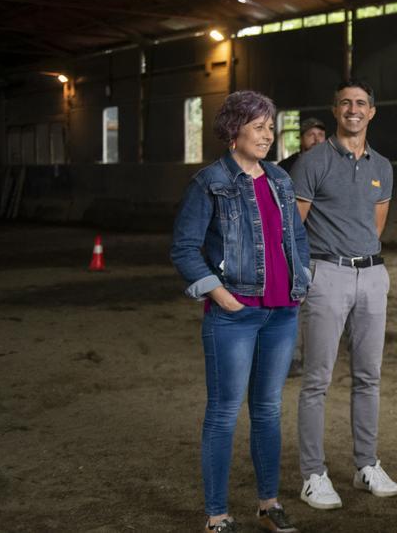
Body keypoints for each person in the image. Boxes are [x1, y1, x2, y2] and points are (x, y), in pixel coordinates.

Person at [171, 90, 310, 533]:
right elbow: (184, 249)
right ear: (234, 131)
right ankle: (217, 515)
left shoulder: (280, 180)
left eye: (271, 127)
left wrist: (300, 281)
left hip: (281, 314)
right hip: (233, 315)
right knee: (224, 411)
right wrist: (219, 294)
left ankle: (268, 503)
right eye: (258, 126)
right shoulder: (208, 182)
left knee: (268, 410)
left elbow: (298, 239)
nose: (268, 135)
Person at [291, 81, 397, 510]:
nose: (353, 110)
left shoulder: (383, 166)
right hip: (326, 274)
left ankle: (366, 464)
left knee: (369, 377)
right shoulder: (311, 162)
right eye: (345, 103)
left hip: (372, 276)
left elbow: (376, 227)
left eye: (361, 104)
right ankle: (313, 474)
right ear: (335, 110)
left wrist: (362, 266)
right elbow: (294, 229)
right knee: (317, 380)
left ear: (371, 112)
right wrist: (313, 274)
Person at [279, 117, 327, 378]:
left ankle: (317, 359)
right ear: (301, 138)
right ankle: (293, 358)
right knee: (293, 301)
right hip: (295, 245)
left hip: (323, 245)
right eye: (311, 134)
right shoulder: (285, 168)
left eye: (321, 134)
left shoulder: (332, 165)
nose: (317, 139)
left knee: (321, 306)